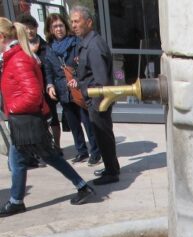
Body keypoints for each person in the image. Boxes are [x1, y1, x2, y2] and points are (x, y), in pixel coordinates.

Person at [0, 17, 94, 217]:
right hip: (23, 120)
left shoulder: (18, 59)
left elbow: (33, 94)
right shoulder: (14, 57)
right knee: (20, 160)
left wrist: (13, 108)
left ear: (1, 37)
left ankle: (82, 186)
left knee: (43, 157)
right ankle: (16, 200)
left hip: (26, 120)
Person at [69, 6, 120, 185]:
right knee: (102, 136)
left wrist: (97, 104)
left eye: (77, 21)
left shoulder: (94, 45)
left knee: (103, 136)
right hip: (95, 99)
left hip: (98, 100)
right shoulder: (87, 43)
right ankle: (111, 167)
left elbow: (101, 80)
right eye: (72, 22)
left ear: (89, 22)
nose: (73, 25)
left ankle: (112, 173)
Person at [43, 12, 101, 165]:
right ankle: (81, 151)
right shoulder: (49, 48)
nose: (58, 29)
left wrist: (77, 78)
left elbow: (84, 64)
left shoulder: (76, 42)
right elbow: (48, 70)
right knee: (74, 125)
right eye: (55, 26)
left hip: (78, 89)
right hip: (63, 91)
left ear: (65, 26)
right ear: (50, 29)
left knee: (88, 123)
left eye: (61, 25)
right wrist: (50, 85)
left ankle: (96, 152)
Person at [15, 13, 62, 154]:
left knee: (53, 118)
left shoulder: (45, 46)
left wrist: (50, 85)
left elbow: (51, 68)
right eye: (26, 28)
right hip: (29, 91)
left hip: (46, 88)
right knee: (37, 122)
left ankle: (57, 147)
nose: (30, 31)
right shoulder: (19, 48)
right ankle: (41, 149)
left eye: (32, 27)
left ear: (36, 28)